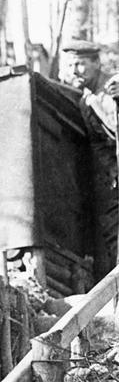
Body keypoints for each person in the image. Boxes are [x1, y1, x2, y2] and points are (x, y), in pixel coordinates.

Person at [61, 39, 119, 276]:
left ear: (97, 62)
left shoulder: (114, 87)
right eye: (71, 65)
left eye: (80, 64)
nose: (75, 70)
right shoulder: (86, 100)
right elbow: (98, 146)